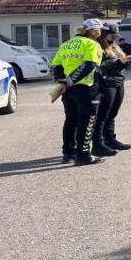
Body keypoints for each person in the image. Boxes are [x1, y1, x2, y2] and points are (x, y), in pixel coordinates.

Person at [51, 18, 106, 166]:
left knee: (70, 121)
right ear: (94, 31)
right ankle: (83, 155)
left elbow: (56, 66)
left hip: (68, 90)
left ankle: (68, 153)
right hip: (86, 88)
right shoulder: (92, 44)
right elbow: (90, 65)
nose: (101, 33)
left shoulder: (66, 44)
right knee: (87, 122)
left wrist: (64, 82)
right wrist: (71, 80)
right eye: (100, 30)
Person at [92, 24, 131, 155]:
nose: (114, 38)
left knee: (113, 113)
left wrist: (127, 61)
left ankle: (110, 139)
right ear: (104, 35)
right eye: (112, 36)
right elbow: (98, 67)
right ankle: (98, 144)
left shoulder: (114, 46)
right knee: (102, 115)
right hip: (107, 83)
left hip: (118, 81)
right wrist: (117, 64)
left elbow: (118, 62)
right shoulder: (97, 47)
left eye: (115, 36)